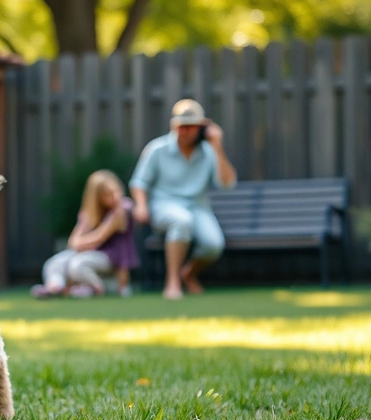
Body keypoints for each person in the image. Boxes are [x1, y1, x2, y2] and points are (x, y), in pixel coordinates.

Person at [129, 99, 237, 300]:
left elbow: (227, 184)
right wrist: (141, 205)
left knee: (214, 245)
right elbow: (139, 182)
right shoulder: (156, 149)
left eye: (191, 126)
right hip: (164, 205)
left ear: (201, 128)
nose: (186, 131)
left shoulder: (209, 152)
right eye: (182, 126)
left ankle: (187, 273)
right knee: (181, 220)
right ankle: (172, 283)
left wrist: (218, 147)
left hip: (198, 207)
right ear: (174, 126)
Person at [32, 170, 139, 299]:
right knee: (55, 263)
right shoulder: (90, 213)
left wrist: (81, 242)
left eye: (115, 192)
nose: (114, 197)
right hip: (92, 254)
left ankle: (97, 287)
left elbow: (99, 237)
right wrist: (81, 241)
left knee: (78, 264)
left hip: (112, 258)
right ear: (96, 197)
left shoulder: (123, 209)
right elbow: (72, 243)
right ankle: (55, 288)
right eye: (107, 194)